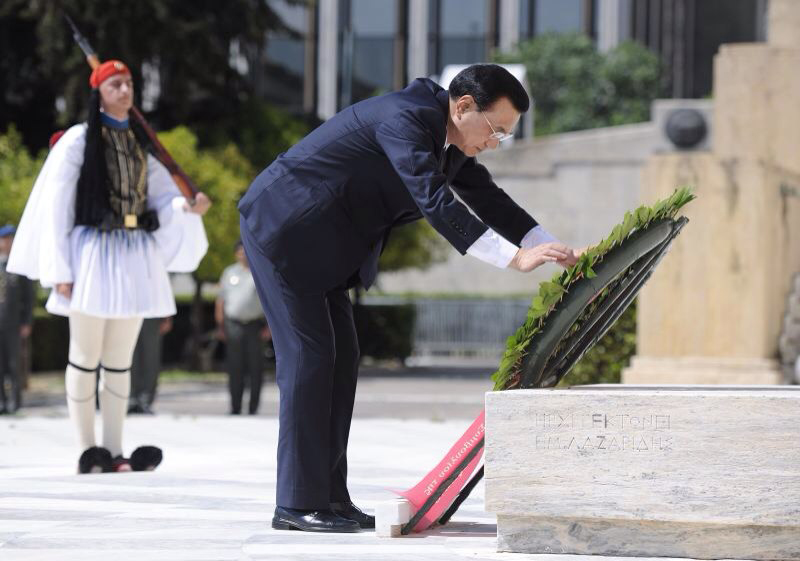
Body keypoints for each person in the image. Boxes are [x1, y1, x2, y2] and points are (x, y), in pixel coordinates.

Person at [237, 64, 580, 533]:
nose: (494, 143)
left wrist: (555, 249)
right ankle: (296, 504)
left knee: (340, 361)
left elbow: (489, 199)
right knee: (309, 360)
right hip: (284, 232)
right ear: (463, 106)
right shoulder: (405, 119)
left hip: (327, 249)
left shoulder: (447, 141)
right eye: (495, 130)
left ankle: (328, 498)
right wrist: (514, 259)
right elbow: (434, 199)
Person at [8, 59, 210, 473]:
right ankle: (87, 449)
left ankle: (115, 450)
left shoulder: (138, 141)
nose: (125, 90)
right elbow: (58, 205)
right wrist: (59, 269)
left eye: (128, 83)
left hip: (134, 252)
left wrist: (186, 206)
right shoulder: (79, 140)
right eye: (115, 84)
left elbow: (161, 196)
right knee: (85, 356)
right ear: (98, 92)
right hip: (92, 253)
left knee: (119, 359)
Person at [216, 240, 269, 415]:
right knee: (234, 367)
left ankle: (253, 407)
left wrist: (269, 328)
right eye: (240, 251)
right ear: (235, 254)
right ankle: (235, 407)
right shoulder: (229, 273)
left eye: (246, 251)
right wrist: (220, 326)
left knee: (256, 367)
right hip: (233, 325)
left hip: (255, 325)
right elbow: (221, 300)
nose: (243, 254)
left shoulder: (260, 270)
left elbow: (269, 301)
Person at [0, 225, 34, 414]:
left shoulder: (20, 266)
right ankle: (1, 402)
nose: (8, 243)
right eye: (5, 239)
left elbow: (29, 297)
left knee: (14, 364)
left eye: (11, 239)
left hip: (13, 323)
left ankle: (15, 401)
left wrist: (26, 321)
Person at [128, 316, 172, 415]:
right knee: (130, 356)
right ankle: (130, 398)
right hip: (128, 312)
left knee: (150, 356)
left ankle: (145, 400)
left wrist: (167, 316)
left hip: (151, 313)